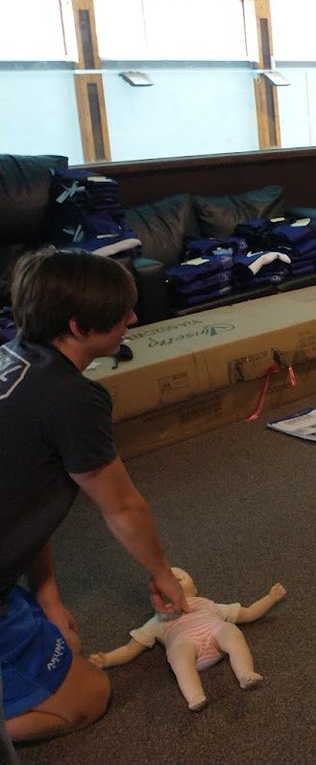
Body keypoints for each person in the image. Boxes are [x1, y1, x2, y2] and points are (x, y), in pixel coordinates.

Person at [1, 248, 187, 743]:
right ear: (80, 327)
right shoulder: (73, 399)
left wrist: (49, 599)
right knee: (88, 697)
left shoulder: (14, 355)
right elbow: (122, 507)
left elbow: (24, 498)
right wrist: (162, 575)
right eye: (120, 314)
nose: (132, 318)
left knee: (68, 641)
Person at [89, 567, 287, 712]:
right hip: (187, 646)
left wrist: (270, 598)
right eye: (165, 584)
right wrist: (107, 659)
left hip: (215, 633)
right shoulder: (157, 620)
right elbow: (130, 649)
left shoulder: (208, 604)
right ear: (158, 601)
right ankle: (194, 695)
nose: (172, 579)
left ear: (195, 588)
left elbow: (248, 613)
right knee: (178, 654)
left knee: (230, 630)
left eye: (178, 577)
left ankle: (245, 673)